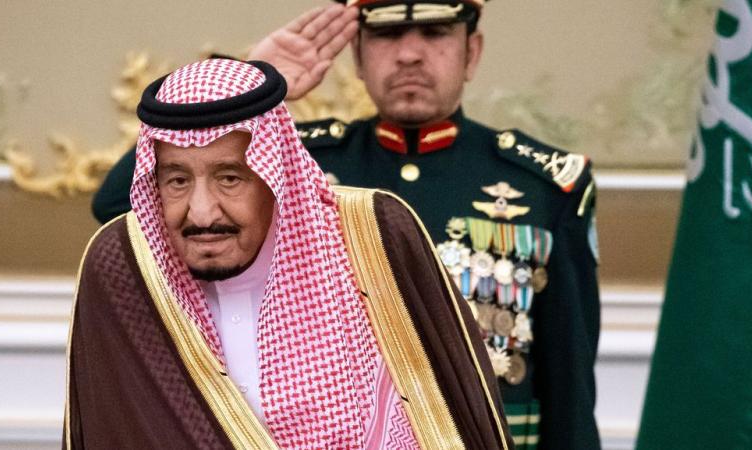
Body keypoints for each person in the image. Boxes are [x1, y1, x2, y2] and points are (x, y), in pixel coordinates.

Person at [91, 2, 601, 448]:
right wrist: (251, 85)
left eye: (435, 33)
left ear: (472, 52)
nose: (409, 54)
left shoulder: (544, 185)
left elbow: (569, 388)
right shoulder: (298, 164)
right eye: (386, 35)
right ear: (356, 56)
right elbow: (123, 208)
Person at [66, 57, 512, 449]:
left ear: (275, 175)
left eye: (229, 178)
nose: (201, 212)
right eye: (177, 180)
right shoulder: (125, 266)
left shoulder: (373, 238)